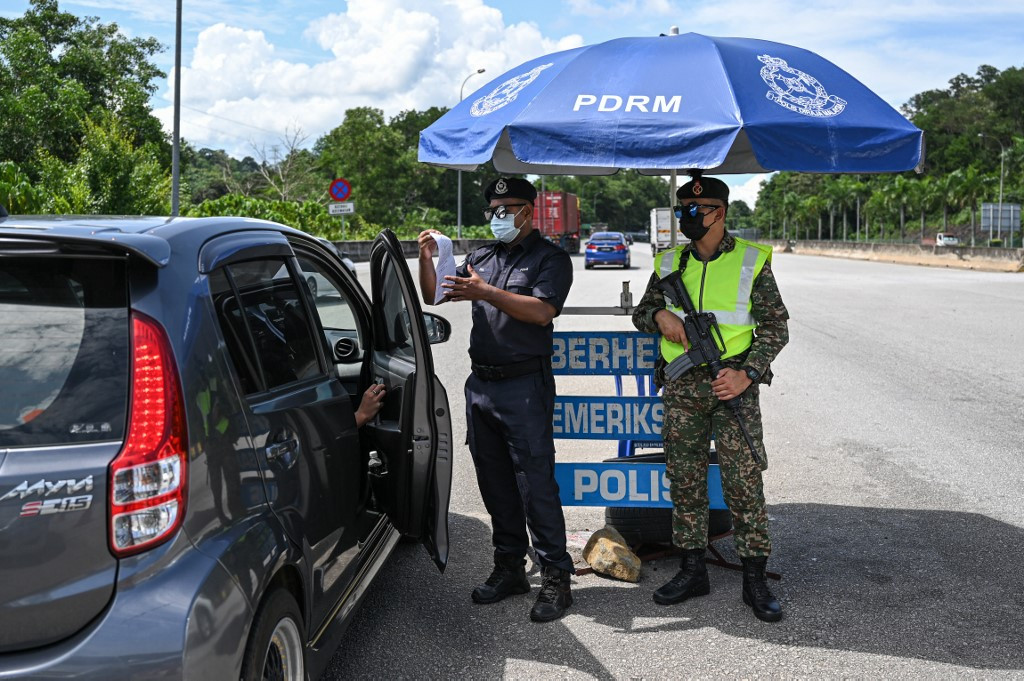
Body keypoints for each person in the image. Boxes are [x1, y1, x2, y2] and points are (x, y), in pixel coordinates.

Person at [631, 173, 789, 622]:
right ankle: (692, 568)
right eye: (681, 210)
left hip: (731, 385)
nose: (685, 218)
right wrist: (660, 314)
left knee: (743, 482)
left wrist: (746, 373)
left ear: (719, 213)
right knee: (685, 479)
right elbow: (642, 311)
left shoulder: (751, 260)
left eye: (694, 211)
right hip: (683, 388)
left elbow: (776, 327)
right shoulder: (668, 264)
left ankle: (754, 576)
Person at [417, 177, 575, 623]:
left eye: (507, 208)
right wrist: (427, 258)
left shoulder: (551, 258)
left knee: (535, 482)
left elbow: (542, 311)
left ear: (529, 210)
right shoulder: (482, 256)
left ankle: (557, 578)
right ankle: (509, 567)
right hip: (481, 385)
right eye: (493, 209)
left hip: (524, 386)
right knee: (495, 482)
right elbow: (435, 294)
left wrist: (486, 292)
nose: (498, 216)